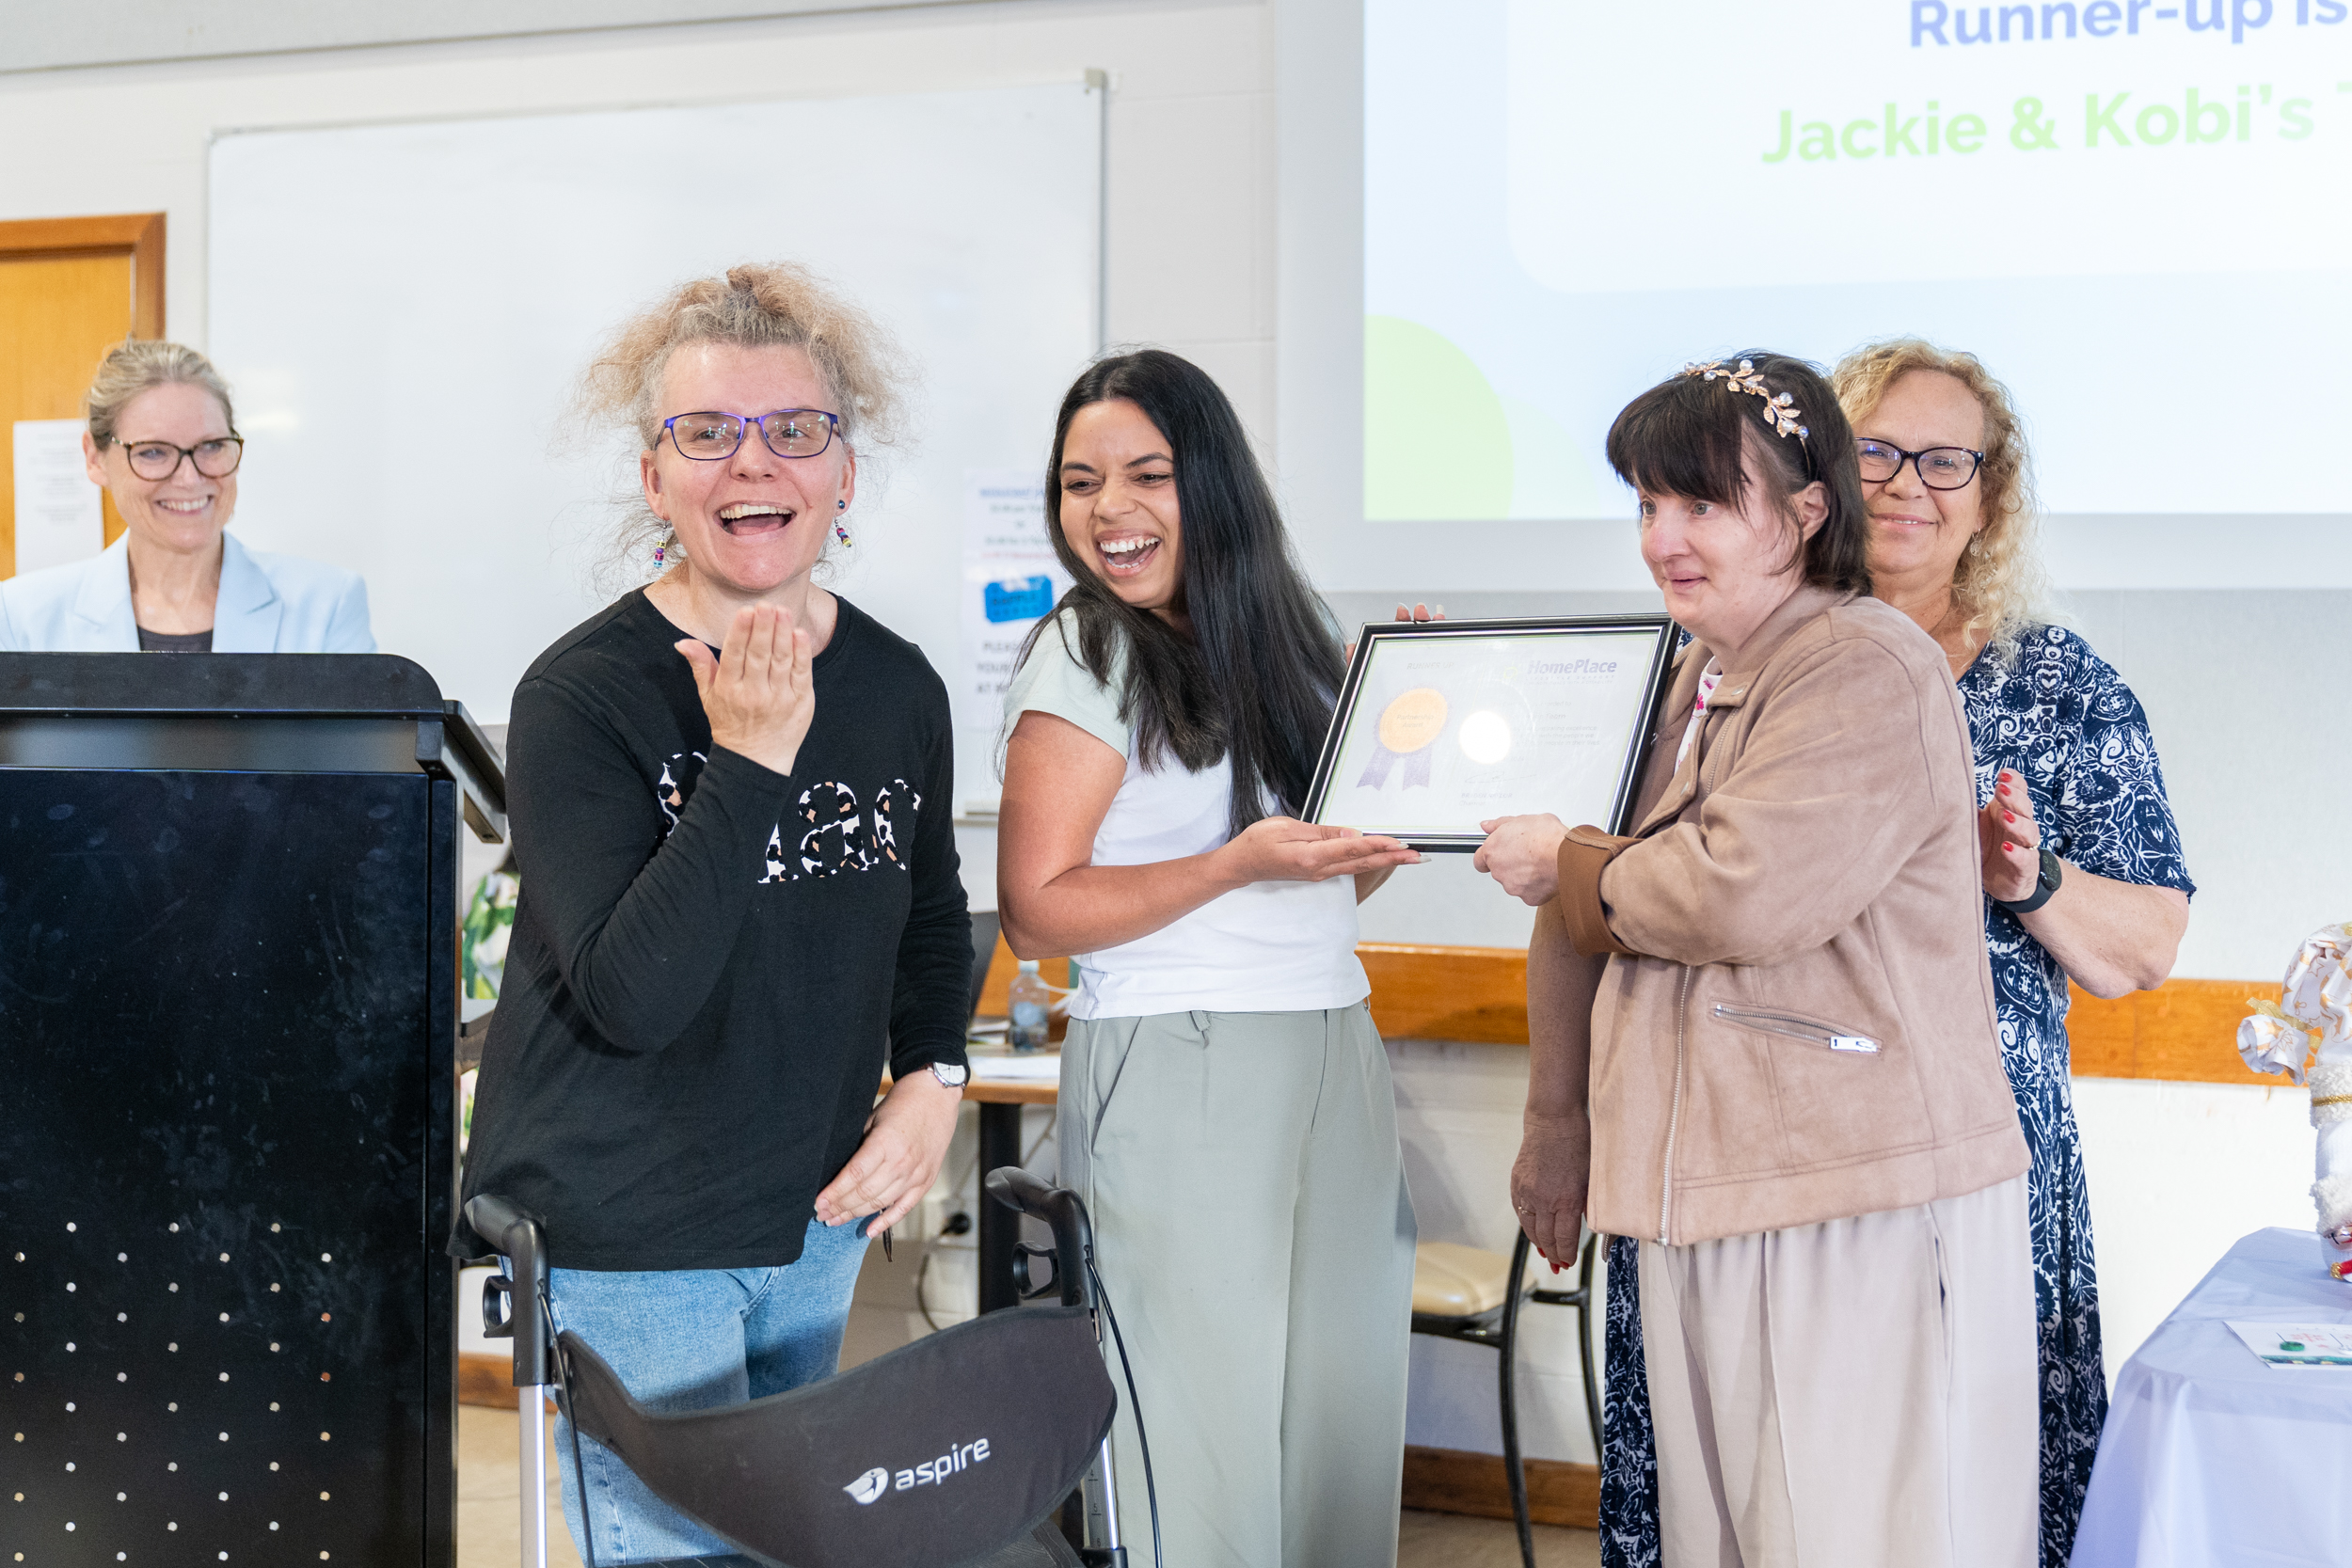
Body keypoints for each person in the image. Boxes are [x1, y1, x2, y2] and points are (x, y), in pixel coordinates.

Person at [1478, 353, 2038, 1568]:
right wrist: (1556, 1115)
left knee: (1860, 1537)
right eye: (1647, 504)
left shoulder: (1865, 660)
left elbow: (1740, 888)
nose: (1664, 536)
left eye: (1703, 502)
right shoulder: (1681, 675)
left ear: (1805, 511)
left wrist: (1568, 857)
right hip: (1705, 1197)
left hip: (1858, 1202)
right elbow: (1584, 905)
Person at [452, 264, 971, 1564]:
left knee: (794, 1543)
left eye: (797, 428)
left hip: (810, 1214)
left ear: (845, 471)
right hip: (630, 1224)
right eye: (707, 431)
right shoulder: (582, 696)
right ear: (653, 477)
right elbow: (633, 995)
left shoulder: (899, 684)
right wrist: (746, 758)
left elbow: (929, 910)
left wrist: (935, 1075)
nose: (756, 461)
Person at [995, 348, 1421, 1568]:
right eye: (1081, 481)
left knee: (1338, 1413)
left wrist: (1404, 769)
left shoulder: (1296, 632)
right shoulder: (1087, 650)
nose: (1108, 509)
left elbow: (1342, 871)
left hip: (1334, 1035)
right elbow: (1036, 906)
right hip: (1177, 1058)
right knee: (1200, 1433)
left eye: (1147, 474)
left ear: (1214, 483)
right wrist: (1234, 864)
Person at [0, 339, 373, 652]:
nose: (190, 478)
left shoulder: (327, 607)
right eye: (152, 452)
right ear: (94, 458)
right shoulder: (22, 619)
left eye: (211, 446)